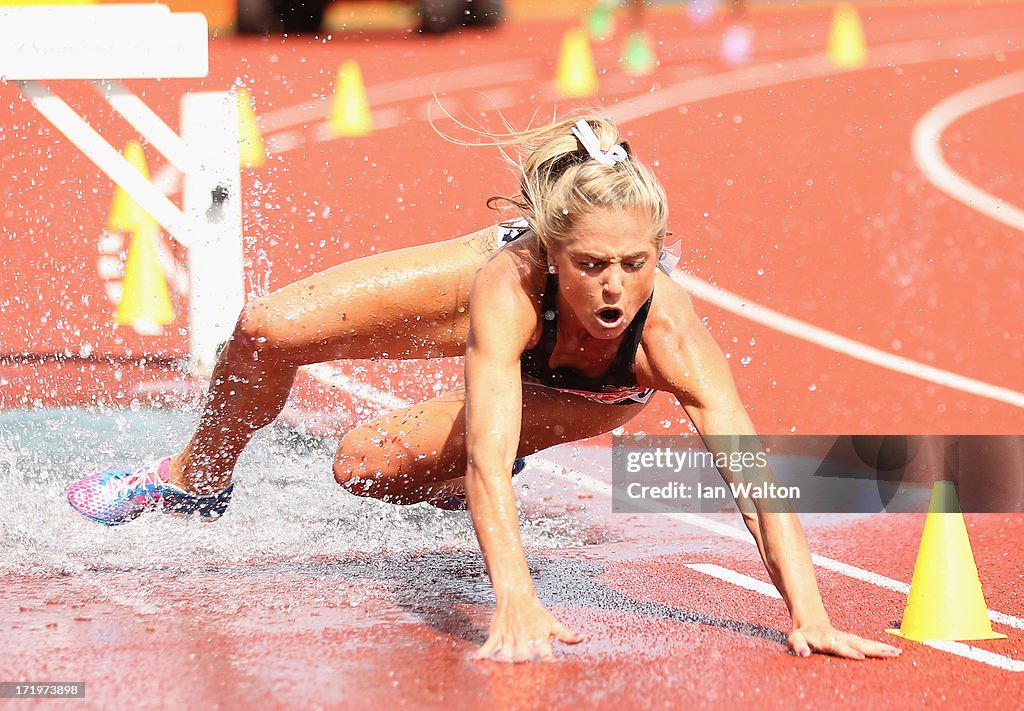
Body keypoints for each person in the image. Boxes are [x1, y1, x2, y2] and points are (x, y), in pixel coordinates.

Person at [67, 113, 902, 663]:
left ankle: (437, 471)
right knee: (266, 327)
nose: (614, 289)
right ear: (550, 250)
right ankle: (194, 476)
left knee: (361, 465)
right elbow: (490, 457)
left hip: (579, 391)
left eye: (635, 265)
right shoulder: (508, 278)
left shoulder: (666, 336)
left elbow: (752, 479)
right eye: (591, 265)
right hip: (509, 316)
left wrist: (810, 613)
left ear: (660, 253)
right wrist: (516, 597)